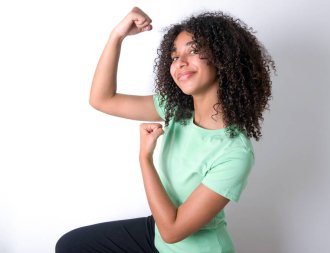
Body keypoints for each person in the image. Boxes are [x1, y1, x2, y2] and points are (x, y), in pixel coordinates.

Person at [56, 6, 275, 253]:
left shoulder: (234, 151)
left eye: (193, 51)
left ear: (223, 59)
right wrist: (117, 36)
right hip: (157, 233)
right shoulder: (175, 110)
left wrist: (144, 158)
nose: (180, 62)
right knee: (72, 246)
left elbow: (173, 231)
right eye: (174, 56)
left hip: (190, 246)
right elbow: (102, 99)